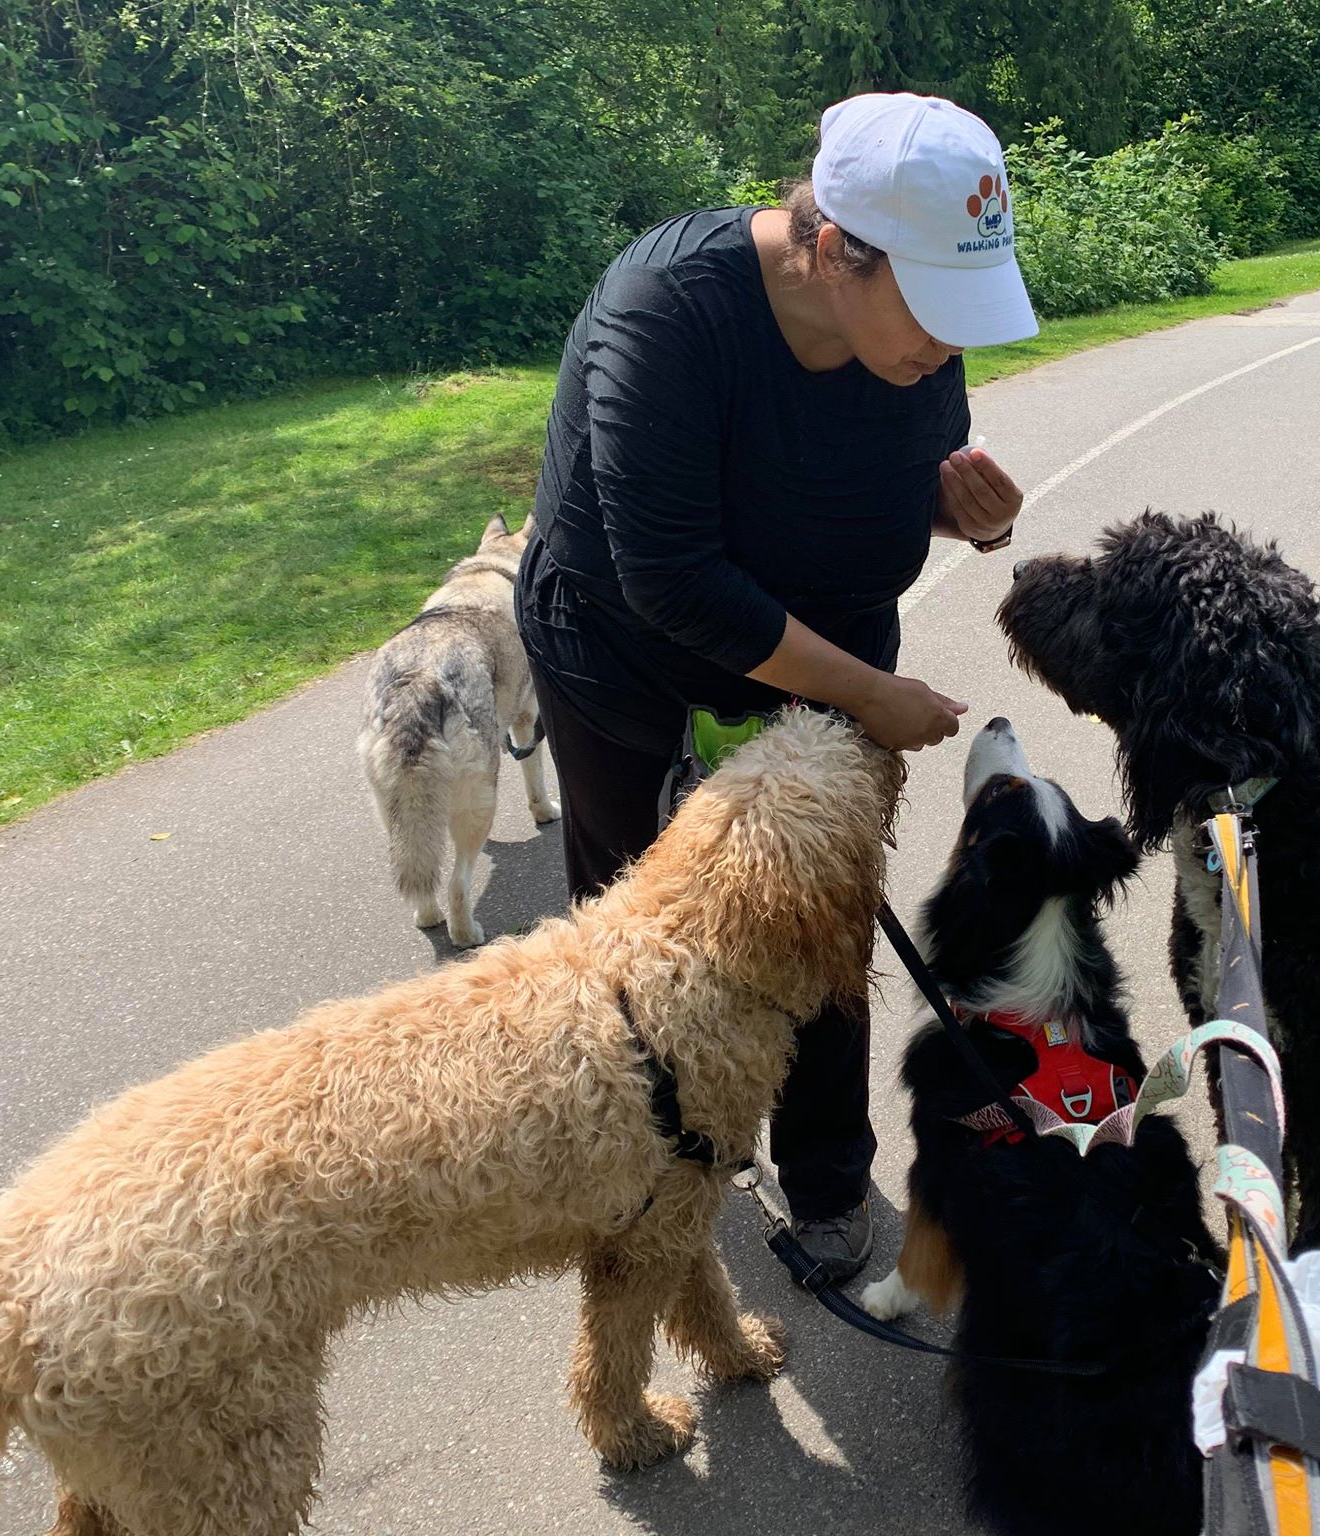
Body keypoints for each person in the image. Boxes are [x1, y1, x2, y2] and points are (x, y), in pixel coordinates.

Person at [516, 92, 1037, 1283]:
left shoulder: (909, 343)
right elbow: (672, 576)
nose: (949, 346)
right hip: (622, 649)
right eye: (935, 307)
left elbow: (884, 484)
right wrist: (867, 696)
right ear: (834, 248)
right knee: (641, 927)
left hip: (822, 638)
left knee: (819, 914)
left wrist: (969, 519)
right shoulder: (667, 310)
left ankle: (826, 1178)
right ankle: (643, 1171)